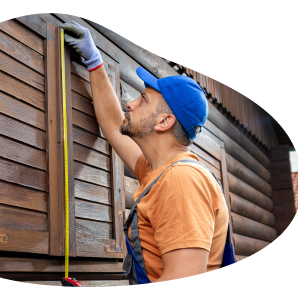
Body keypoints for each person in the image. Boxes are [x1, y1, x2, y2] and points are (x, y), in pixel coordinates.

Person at [61, 21, 229, 284]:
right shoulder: (158, 172)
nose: (130, 103)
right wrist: (94, 61)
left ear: (164, 122)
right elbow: (114, 129)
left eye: (143, 100)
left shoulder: (182, 181)